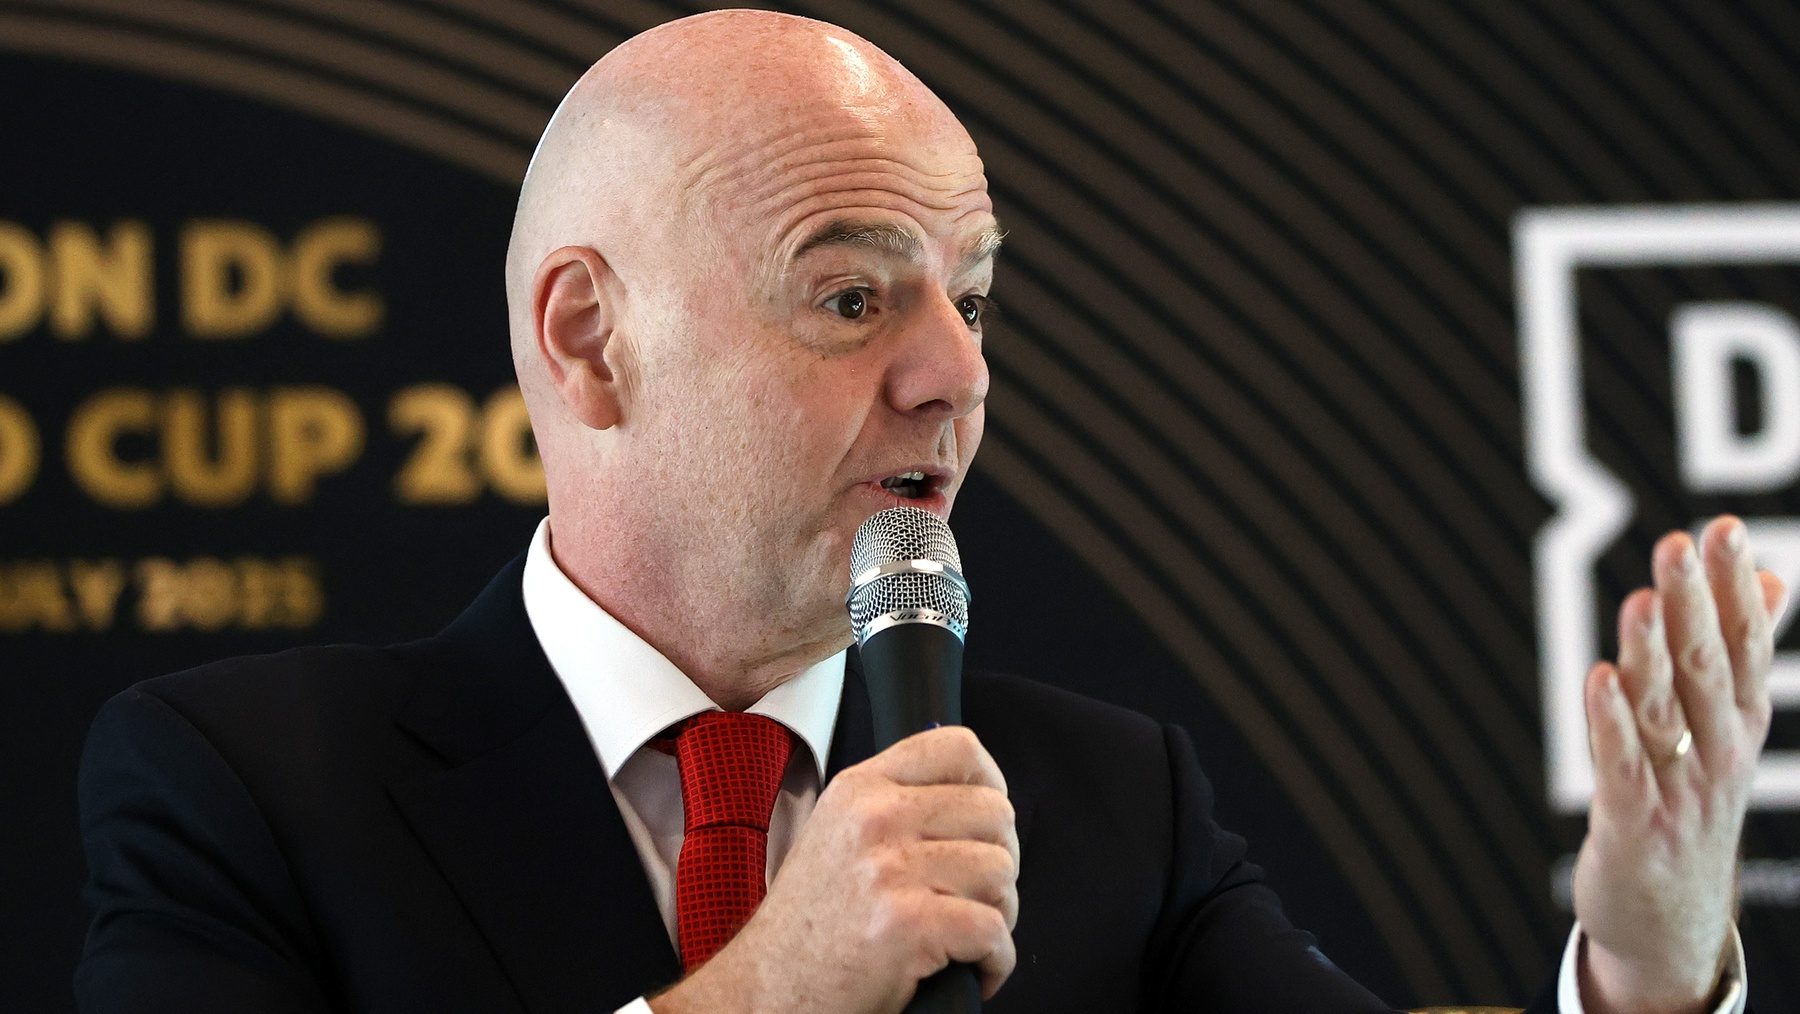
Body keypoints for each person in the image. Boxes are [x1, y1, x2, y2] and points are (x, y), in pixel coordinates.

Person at [75, 11, 1779, 1014]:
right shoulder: (247, 789)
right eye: (851, 298)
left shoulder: (1112, 800)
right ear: (592, 344)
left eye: (972, 296)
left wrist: (1640, 972)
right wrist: (760, 994)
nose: (953, 374)